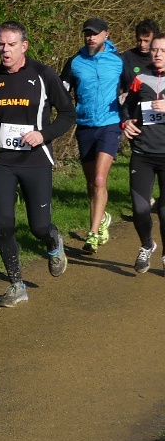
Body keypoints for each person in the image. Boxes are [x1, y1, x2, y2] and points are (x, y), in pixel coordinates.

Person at [0, 21, 76, 307]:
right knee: (3, 224)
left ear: (24, 46)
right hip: (2, 160)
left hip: (36, 160)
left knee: (38, 227)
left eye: (11, 44)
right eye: (1, 44)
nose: (5, 50)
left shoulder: (43, 75)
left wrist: (43, 134)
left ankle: (53, 241)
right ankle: (16, 284)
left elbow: (68, 114)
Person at [61, 17, 124, 253]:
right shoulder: (74, 62)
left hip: (111, 124)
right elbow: (62, 90)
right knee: (91, 184)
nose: (91, 37)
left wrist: (129, 103)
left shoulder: (118, 61)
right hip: (85, 126)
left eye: (95, 33)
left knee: (99, 180)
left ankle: (93, 234)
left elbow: (134, 85)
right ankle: (103, 217)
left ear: (106, 34)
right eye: (87, 33)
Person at [121, 34, 165, 273]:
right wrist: (126, 123)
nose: (157, 54)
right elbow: (126, 107)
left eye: (163, 51)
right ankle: (147, 244)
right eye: (155, 50)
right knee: (140, 208)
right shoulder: (140, 79)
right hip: (142, 153)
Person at [119, 19, 161, 94]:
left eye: (146, 41)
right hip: (131, 100)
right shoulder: (125, 57)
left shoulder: (160, 58)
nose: (142, 45)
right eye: (139, 40)